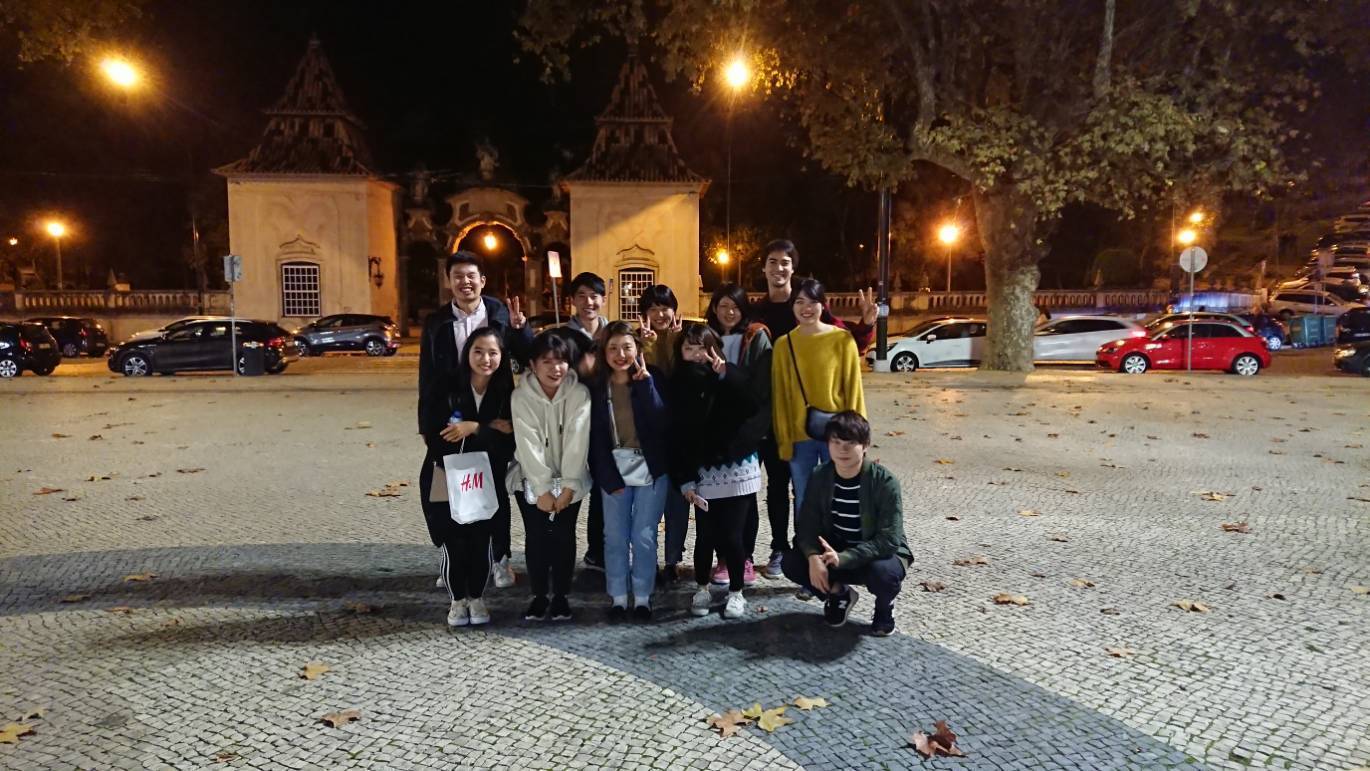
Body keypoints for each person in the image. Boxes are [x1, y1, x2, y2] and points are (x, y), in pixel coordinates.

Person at [751, 239, 876, 580]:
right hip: (786, 422)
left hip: (831, 428)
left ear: (793, 267)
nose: (779, 268)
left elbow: (849, 350)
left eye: (785, 262)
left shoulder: (822, 318)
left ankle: (835, 557)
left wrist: (866, 325)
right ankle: (790, 552)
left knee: (831, 494)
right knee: (785, 490)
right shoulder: (760, 316)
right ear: (764, 268)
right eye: (772, 261)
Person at [419, 251, 530, 589]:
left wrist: (521, 330)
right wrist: (427, 426)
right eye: (458, 276)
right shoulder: (437, 322)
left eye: (471, 276)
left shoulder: (499, 313)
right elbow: (426, 375)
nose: (465, 282)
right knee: (449, 487)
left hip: (493, 411)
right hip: (451, 411)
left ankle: (500, 558)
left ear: (482, 280)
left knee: (494, 488)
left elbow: (525, 356)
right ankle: (454, 558)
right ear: (448, 281)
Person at [781, 411, 911, 637]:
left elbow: (889, 540)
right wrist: (813, 556)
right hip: (835, 551)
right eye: (836, 442)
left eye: (850, 443)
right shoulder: (820, 476)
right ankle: (838, 593)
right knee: (792, 562)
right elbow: (807, 526)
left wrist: (846, 558)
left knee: (884, 574)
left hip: (872, 555)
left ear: (865, 445)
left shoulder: (884, 481)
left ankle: (884, 607)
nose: (842, 450)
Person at [418, 328, 516, 627]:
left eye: (493, 353)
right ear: (467, 353)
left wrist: (475, 428)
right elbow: (434, 434)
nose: (486, 359)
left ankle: (477, 597)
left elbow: (509, 443)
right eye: (479, 351)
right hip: (445, 474)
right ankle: (457, 600)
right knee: (454, 542)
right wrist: (492, 429)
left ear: (501, 357)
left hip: (487, 478)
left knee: (481, 541)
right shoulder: (445, 385)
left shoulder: (505, 393)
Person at [669, 323, 763, 620]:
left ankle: (736, 592)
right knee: (705, 536)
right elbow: (677, 438)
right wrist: (684, 479)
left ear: (715, 349)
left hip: (737, 468)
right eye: (689, 348)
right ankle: (702, 588)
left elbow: (752, 405)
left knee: (734, 536)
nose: (697, 355)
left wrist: (726, 374)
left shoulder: (729, 377)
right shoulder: (677, 385)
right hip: (703, 471)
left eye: (702, 348)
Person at [588, 322, 671, 621]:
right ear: (604, 352)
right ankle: (619, 597)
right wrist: (606, 476)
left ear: (638, 348)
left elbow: (663, 424)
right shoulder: (597, 386)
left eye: (626, 347)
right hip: (614, 469)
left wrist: (646, 385)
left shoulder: (652, 377)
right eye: (613, 348)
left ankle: (643, 597)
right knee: (614, 536)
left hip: (652, 469)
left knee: (644, 536)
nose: (620, 354)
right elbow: (594, 437)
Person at [511, 330, 592, 622]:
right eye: (546, 361)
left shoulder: (579, 394)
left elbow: (577, 440)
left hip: (571, 478)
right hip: (530, 479)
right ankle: (538, 595)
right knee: (536, 537)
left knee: (563, 536)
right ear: (533, 365)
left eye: (560, 361)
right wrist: (542, 488)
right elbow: (527, 443)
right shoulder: (521, 396)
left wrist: (569, 487)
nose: (555, 368)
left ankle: (560, 596)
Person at [771, 278, 866, 522]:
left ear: (823, 305)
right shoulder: (784, 345)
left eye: (813, 302)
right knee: (804, 497)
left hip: (839, 435)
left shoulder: (842, 340)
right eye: (799, 302)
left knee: (840, 496)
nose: (806, 308)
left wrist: (858, 436)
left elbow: (853, 390)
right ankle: (807, 544)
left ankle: (837, 544)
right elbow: (781, 398)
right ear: (792, 306)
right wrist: (784, 440)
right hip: (799, 436)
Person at [704, 283, 773, 587]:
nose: (729, 312)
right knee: (717, 499)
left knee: (744, 498)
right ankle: (723, 557)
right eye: (723, 306)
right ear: (714, 308)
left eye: (735, 306)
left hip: (745, 429)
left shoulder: (755, 337)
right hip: (714, 431)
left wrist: (728, 373)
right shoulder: (707, 336)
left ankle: (744, 557)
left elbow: (761, 387)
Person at [562, 271, 609, 574]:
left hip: (606, 424)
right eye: (581, 295)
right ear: (572, 300)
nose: (588, 302)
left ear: (604, 299)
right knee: (571, 487)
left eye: (594, 296)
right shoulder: (563, 336)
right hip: (573, 425)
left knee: (604, 488)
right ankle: (561, 552)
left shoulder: (613, 334)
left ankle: (598, 551)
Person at [639, 284, 683, 376]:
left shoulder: (686, 337)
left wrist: (676, 342)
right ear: (645, 313)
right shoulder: (635, 338)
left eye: (665, 309)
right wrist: (647, 344)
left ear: (674, 311)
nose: (660, 315)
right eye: (653, 309)